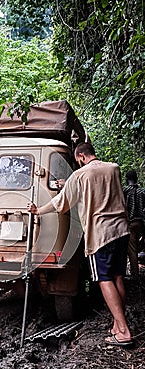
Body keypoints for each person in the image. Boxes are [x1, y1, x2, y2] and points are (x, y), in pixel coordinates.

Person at [27, 142, 133, 347]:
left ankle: (124, 330)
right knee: (118, 276)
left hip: (100, 234)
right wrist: (70, 182)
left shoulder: (80, 176)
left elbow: (61, 202)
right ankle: (117, 324)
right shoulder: (113, 168)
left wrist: (37, 211)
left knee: (104, 279)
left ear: (81, 156)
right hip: (121, 230)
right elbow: (101, 188)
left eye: (78, 161)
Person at [123, 170, 145, 283]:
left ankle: (135, 276)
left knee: (132, 250)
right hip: (140, 223)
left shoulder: (125, 190)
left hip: (129, 223)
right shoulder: (142, 191)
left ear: (127, 179)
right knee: (137, 247)